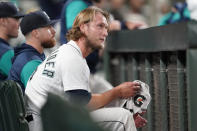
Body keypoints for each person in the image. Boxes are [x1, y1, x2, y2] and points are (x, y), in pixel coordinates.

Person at [25, 7, 148, 131]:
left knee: (119, 115)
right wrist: (118, 92)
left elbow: (79, 102)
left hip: (46, 117)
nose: (105, 33)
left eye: (106, 28)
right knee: (123, 117)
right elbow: (83, 104)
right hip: (45, 123)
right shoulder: (72, 57)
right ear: (83, 27)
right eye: (100, 26)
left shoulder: (69, 52)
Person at [8, 10, 56, 91]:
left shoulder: (31, 55)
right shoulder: (30, 63)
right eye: (48, 28)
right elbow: (42, 100)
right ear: (36, 33)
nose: (53, 31)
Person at [0, 2, 24, 81]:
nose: (19, 24)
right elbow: (26, 83)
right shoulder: (5, 52)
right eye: (16, 19)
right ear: (3, 21)